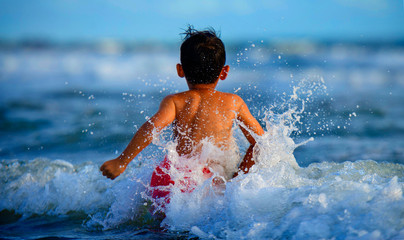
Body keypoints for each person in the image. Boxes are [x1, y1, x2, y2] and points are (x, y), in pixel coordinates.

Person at [100, 26, 265, 203]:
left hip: (176, 178)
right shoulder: (234, 102)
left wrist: (122, 161)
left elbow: (152, 127)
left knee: (162, 225)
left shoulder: (175, 101)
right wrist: (237, 179)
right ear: (224, 72)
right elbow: (261, 142)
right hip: (210, 183)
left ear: (180, 70)